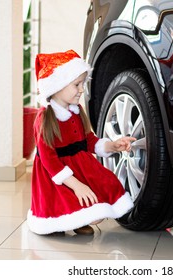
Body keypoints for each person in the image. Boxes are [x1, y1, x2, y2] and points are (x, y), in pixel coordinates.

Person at [27, 49, 135, 236]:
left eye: (82, 84)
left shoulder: (76, 111)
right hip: (57, 175)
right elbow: (49, 161)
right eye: (77, 84)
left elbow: (88, 140)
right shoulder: (45, 119)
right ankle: (59, 220)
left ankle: (78, 217)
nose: (82, 89)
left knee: (100, 208)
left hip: (80, 167)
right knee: (81, 201)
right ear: (57, 86)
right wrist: (77, 185)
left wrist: (112, 145)